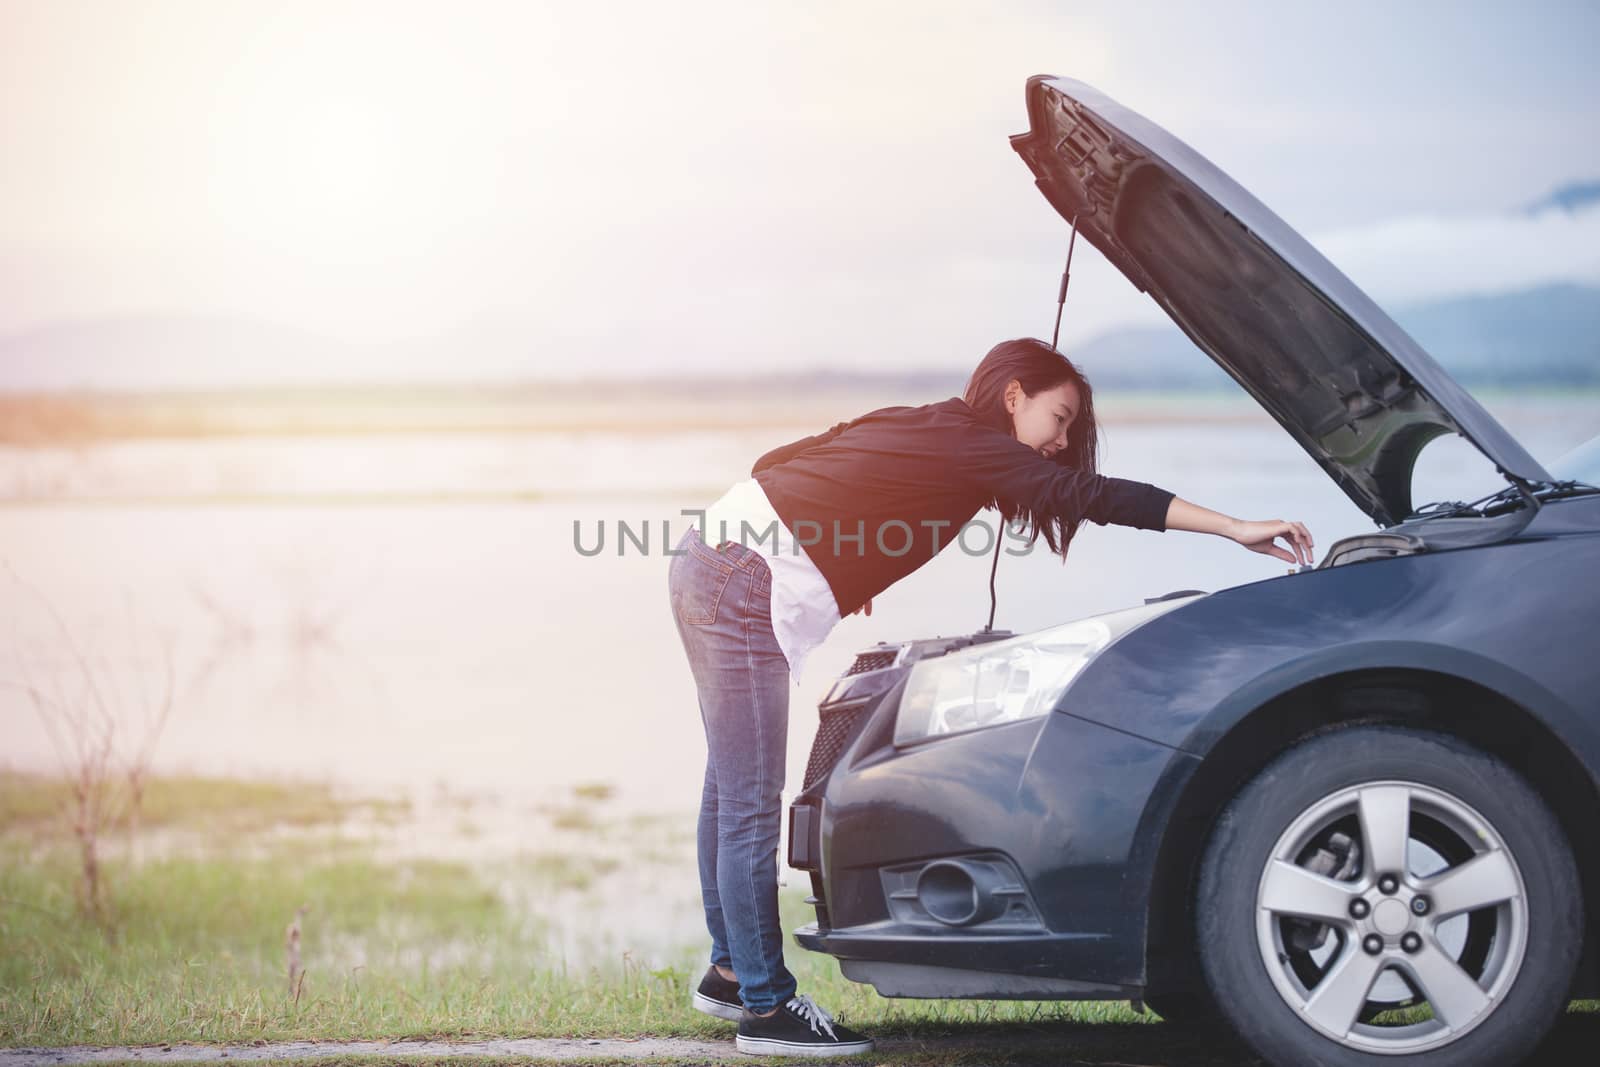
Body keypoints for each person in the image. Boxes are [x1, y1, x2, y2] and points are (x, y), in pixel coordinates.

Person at [665, 337, 1314, 1057]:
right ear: (1015, 397)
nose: (1063, 443)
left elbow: (778, 461)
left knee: (730, 789)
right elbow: (1093, 497)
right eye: (1059, 419)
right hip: (745, 579)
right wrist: (1231, 527)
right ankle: (767, 1007)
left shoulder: (933, 424)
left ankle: (732, 971)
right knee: (749, 798)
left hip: (711, 552)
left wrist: (854, 550)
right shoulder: (973, 446)